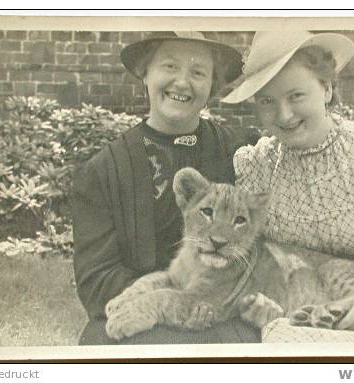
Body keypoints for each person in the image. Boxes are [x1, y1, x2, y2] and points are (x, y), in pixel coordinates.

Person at [222, 31, 354, 341]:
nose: (284, 115)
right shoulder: (258, 165)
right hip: (290, 306)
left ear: (327, 88)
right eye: (267, 101)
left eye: (296, 96)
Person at [72, 31, 260, 345]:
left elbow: (262, 241)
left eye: (198, 72)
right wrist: (169, 303)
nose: (182, 82)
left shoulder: (237, 152)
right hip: (137, 314)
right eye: (169, 67)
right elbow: (96, 282)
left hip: (222, 308)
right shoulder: (102, 171)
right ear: (145, 72)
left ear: (212, 84)